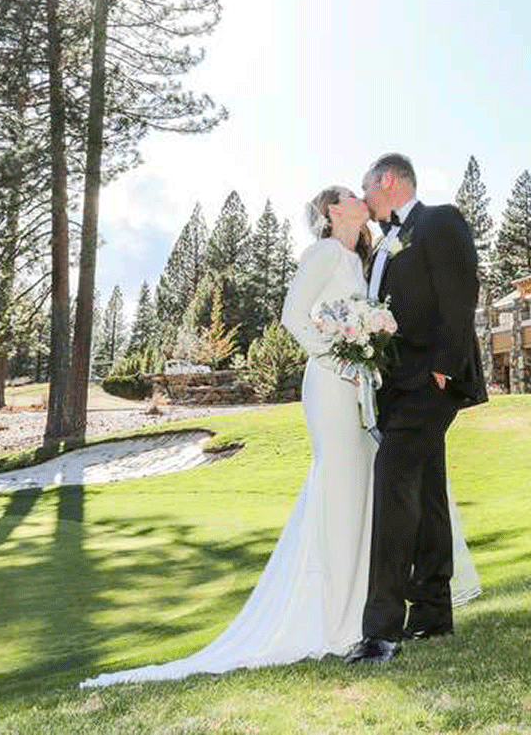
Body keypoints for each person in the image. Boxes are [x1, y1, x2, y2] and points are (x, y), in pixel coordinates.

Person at [79, 186, 479, 689]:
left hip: (362, 389)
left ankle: (361, 608)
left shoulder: (364, 258)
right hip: (333, 387)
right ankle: (334, 618)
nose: (362, 199)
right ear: (332, 210)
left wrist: (370, 355)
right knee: (339, 486)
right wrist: (340, 357)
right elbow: (294, 317)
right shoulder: (323, 252)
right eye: (352, 195)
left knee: (363, 492)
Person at [346, 153, 488, 667]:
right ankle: (433, 613)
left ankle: (381, 632)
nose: (364, 197)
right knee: (427, 495)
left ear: (387, 180)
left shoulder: (439, 220)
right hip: (397, 388)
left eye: (367, 187)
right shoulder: (384, 244)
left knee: (393, 482)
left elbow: (461, 292)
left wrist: (444, 369)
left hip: (431, 384)